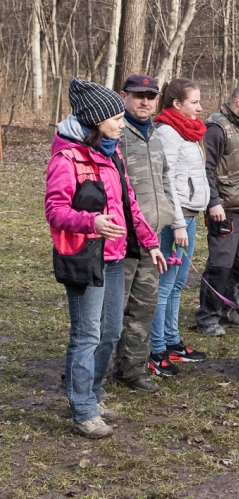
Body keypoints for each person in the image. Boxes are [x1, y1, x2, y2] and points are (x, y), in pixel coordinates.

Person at [45, 78, 166, 438]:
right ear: (96, 121)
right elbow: (54, 211)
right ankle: (82, 410)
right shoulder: (67, 158)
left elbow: (130, 204)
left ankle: (94, 396)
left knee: (110, 332)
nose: (120, 122)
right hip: (85, 258)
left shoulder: (112, 155)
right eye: (114, 117)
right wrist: (92, 222)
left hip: (115, 258)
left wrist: (150, 243)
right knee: (87, 334)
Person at [113, 74, 176, 393]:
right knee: (111, 311)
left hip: (153, 238)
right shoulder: (114, 132)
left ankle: (132, 368)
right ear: (124, 96)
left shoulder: (154, 135)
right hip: (120, 240)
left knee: (144, 305)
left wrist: (170, 215)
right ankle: (92, 369)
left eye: (151, 96)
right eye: (139, 95)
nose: (145, 102)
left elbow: (165, 178)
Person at [150, 78, 210, 374]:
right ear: (176, 104)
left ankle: (172, 341)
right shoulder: (167, 133)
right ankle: (156, 347)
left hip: (190, 217)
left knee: (177, 284)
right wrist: (176, 224)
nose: (200, 107)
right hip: (175, 222)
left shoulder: (191, 132)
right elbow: (168, 181)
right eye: (194, 102)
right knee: (164, 285)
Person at [195, 84, 239, 336]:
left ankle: (227, 309)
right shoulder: (216, 127)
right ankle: (207, 316)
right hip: (224, 210)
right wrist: (213, 202)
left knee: (237, 265)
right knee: (219, 265)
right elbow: (206, 168)